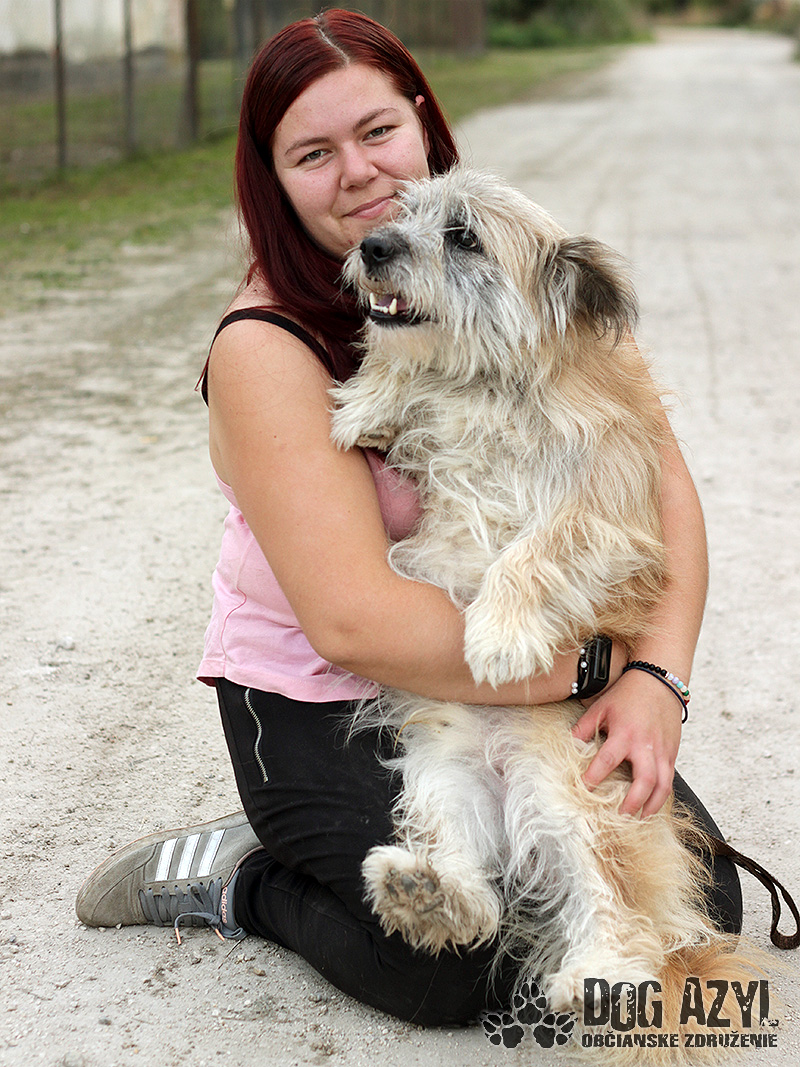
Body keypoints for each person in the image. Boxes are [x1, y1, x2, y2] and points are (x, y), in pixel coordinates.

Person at [76, 9, 742, 1026]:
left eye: (377, 131)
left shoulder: (532, 280)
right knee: (439, 965)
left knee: (700, 908)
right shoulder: (265, 346)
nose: (358, 173)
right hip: (323, 686)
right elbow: (354, 622)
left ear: (423, 122)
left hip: (516, 653)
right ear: (273, 180)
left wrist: (656, 679)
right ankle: (240, 876)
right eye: (312, 153)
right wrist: (588, 670)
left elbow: (657, 494)